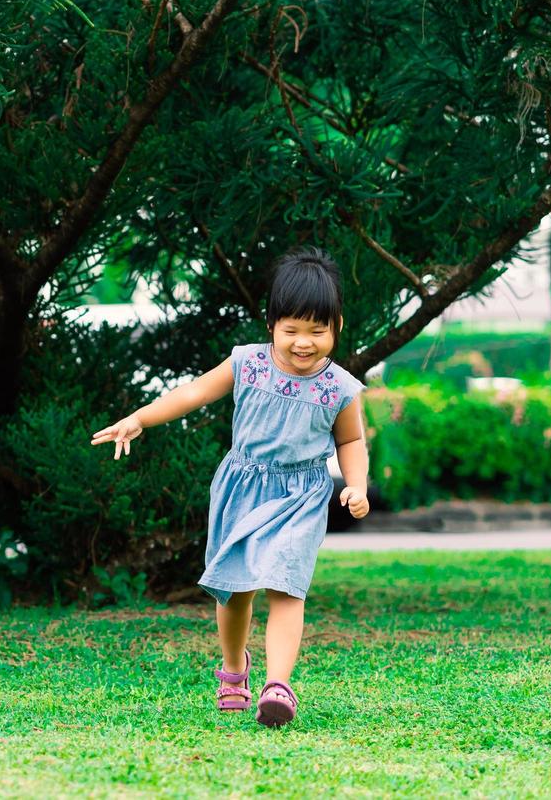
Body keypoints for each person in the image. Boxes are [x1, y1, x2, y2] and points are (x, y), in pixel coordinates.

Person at [89, 246, 369, 728]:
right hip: (242, 487)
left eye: (317, 331)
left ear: (336, 326)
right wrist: (140, 419)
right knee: (236, 592)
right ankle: (235, 669)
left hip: (300, 495)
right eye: (292, 330)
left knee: (286, 586)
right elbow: (193, 392)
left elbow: (352, 439)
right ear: (271, 325)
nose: (304, 343)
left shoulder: (340, 388)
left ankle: (278, 686)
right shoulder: (248, 363)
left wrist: (357, 484)